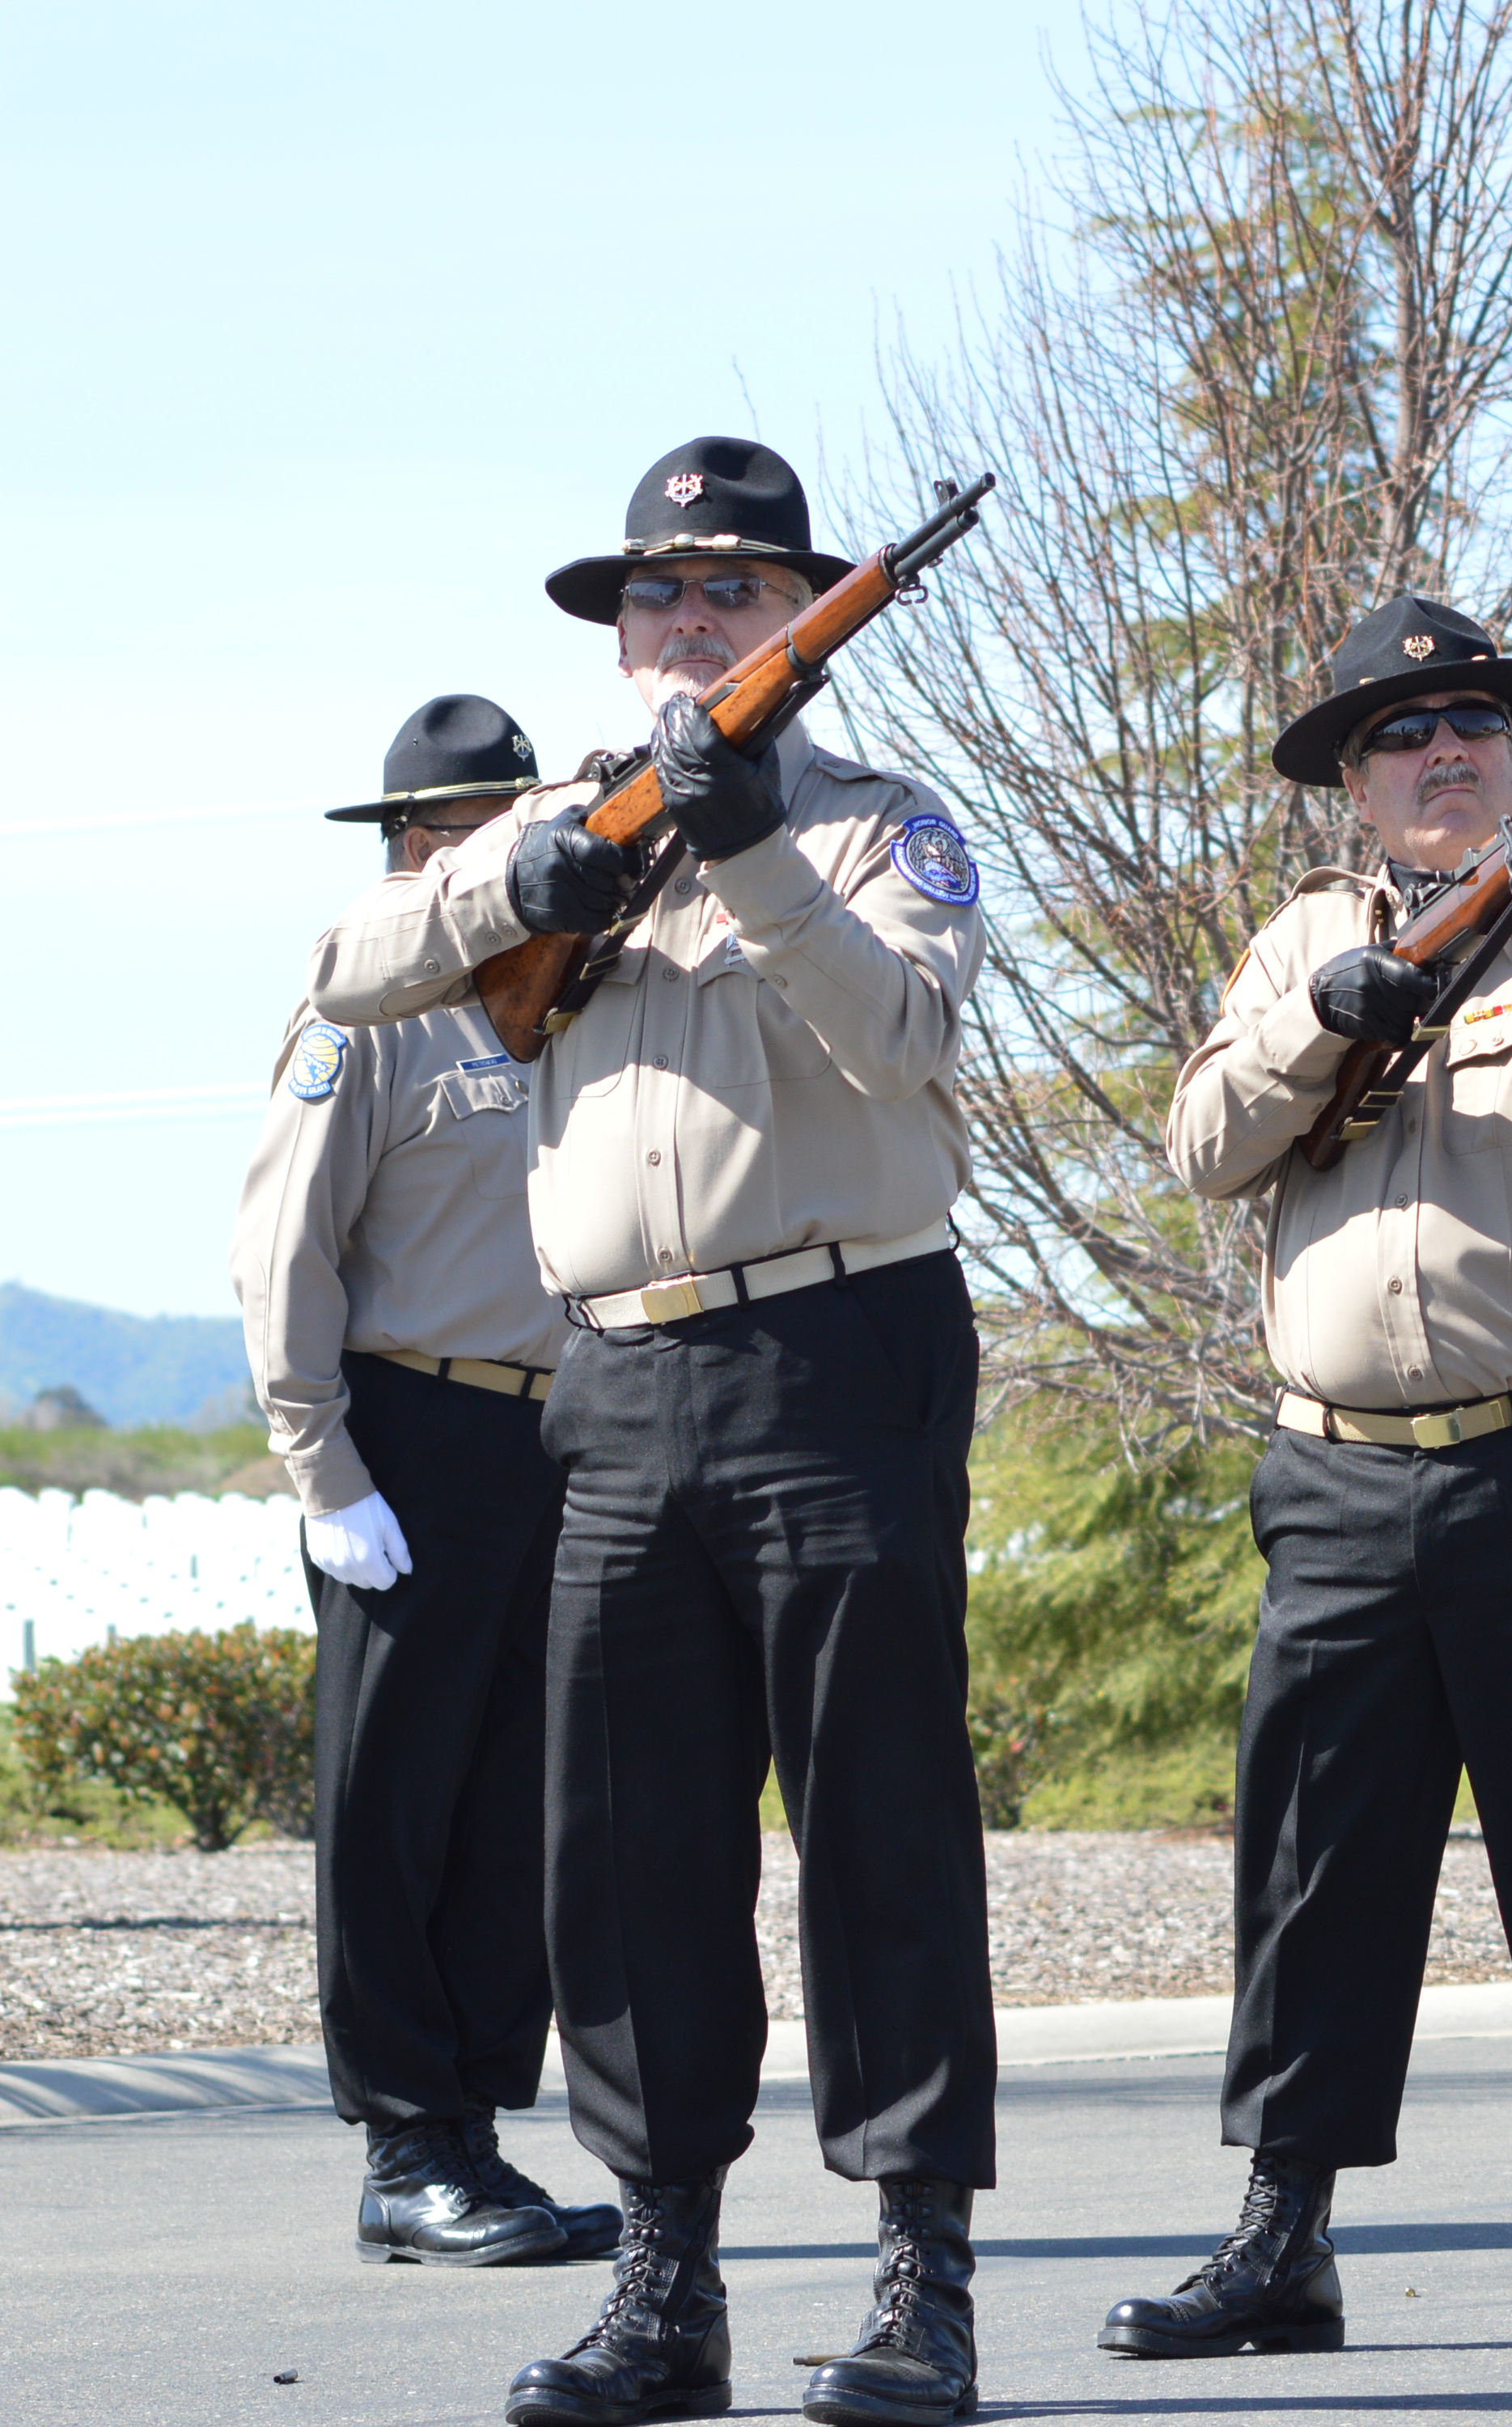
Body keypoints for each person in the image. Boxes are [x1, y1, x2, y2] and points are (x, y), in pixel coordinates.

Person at [305, 437, 993, 2427]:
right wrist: (532, 873)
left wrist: (753, 842)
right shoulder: (555, 819)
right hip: (613, 1379)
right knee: (625, 1853)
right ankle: (664, 2281)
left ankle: (918, 2280)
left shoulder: (880, 825)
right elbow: (347, 971)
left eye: (732, 593)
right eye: (655, 598)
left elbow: (908, 1039)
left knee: (876, 1834)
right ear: (620, 639)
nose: (688, 622)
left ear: (803, 623)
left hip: (836, 1348)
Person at [1099, 595, 1512, 2366]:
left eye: (1473, 721)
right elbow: (1206, 1148)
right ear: (1354, 785)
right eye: (1401, 734)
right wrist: (1318, 1025)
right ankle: (1283, 2233)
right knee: (1316, 1864)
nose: (1445, 751)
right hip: (1342, 1477)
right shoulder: (1294, 939)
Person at [233, 695, 617, 2270]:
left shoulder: (572, 997)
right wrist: (323, 1465)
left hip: (565, 1436)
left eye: (497, 831)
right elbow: (284, 1253)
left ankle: (473, 2130)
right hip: (410, 1435)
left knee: (520, 1809)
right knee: (392, 1805)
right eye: (445, 838)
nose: (473, 860)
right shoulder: (365, 1017)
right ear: (405, 856)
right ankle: (404, 2144)